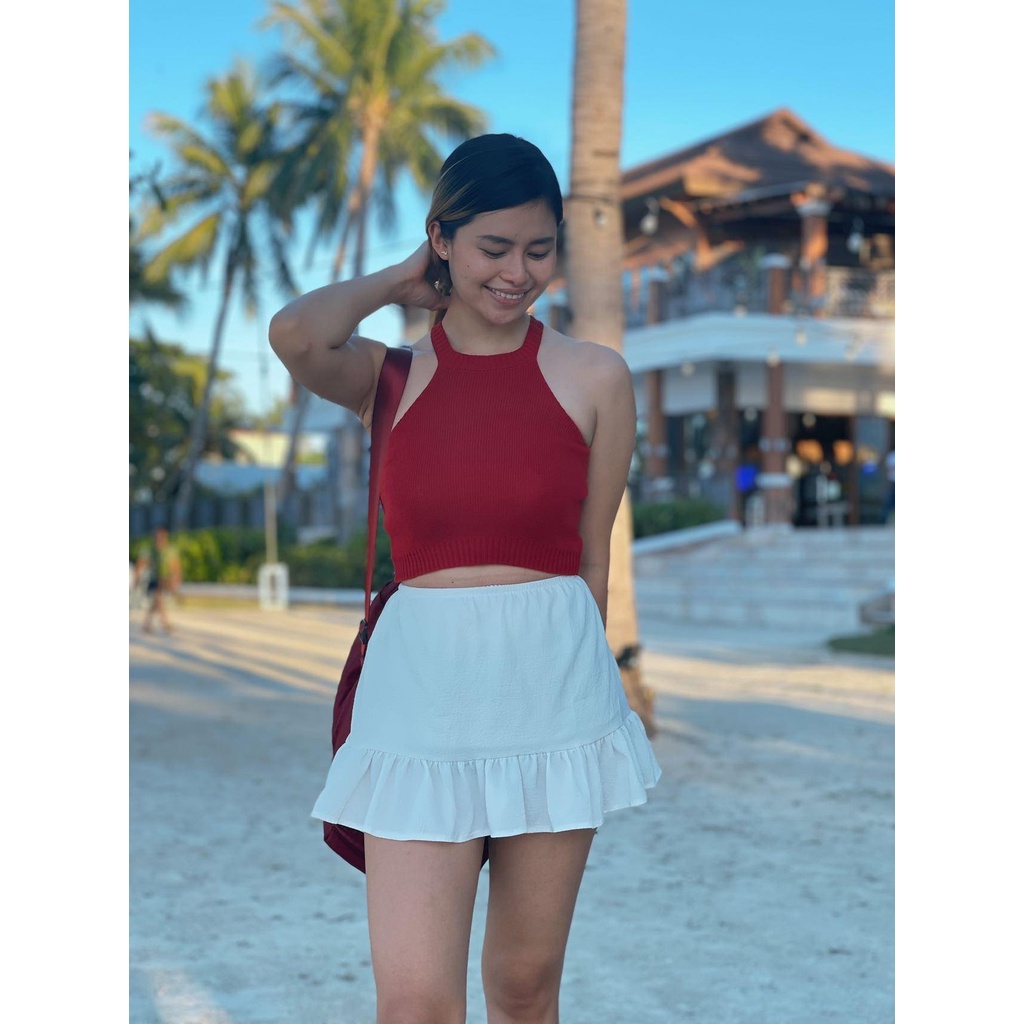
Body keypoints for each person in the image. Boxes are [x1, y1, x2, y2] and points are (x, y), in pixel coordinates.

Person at [269, 133, 661, 1022]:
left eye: (539, 249)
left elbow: (590, 557)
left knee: (524, 987)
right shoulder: (389, 378)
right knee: (414, 1002)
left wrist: (584, 685)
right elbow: (295, 333)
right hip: (419, 700)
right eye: (493, 247)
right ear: (441, 239)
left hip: (552, 693)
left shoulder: (597, 377)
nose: (518, 273)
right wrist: (399, 281)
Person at [136, 526, 181, 635]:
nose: (159, 538)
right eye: (157, 536)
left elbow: (175, 566)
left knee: (156, 601)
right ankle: (165, 624)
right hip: (153, 579)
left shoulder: (170, 550)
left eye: (162, 536)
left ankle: (148, 625)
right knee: (157, 598)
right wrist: (137, 578)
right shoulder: (150, 550)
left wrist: (176, 579)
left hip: (165, 579)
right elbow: (141, 563)